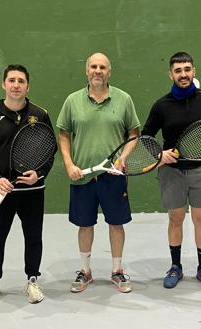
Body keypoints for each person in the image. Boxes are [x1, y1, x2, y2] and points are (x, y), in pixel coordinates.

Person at [0, 64, 56, 307]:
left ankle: (32, 280)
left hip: (32, 192)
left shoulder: (40, 114)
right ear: (4, 84)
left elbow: (50, 151)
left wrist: (38, 174)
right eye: (11, 80)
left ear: (27, 86)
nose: (16, 85)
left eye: (21, 81)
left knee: (33, 237)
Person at [56, 52, 140, 293]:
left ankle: (117, 271)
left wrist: (122, 159)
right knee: (85, 225)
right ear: (87, 71)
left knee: (116, 223)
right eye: (93, 66)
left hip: (113, 177)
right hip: (82, 176)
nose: (97, 71)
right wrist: (69, 164)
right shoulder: (72, 101)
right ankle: (85, 271)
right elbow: (63, 134)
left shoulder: (123, 99)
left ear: (109, 72)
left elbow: (133, 134)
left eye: (102, 67)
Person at [141, 52, 201, 291]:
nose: (183, 74)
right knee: (175, 219)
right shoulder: (161, 105)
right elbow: (146, 137)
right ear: (171, 74)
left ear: (193, 71)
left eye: (187, 69)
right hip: (172, 173)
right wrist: (159, 155)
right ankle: (176, 266)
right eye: (178, 70)